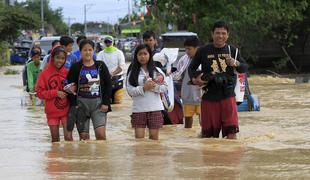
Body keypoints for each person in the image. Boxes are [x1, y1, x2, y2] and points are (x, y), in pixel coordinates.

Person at [188, 20, 248, 139]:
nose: (220, 36)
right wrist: (196, 79)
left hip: (228, 95)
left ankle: (230, 157)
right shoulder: (203, 51)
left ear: (228, 35)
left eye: (223, 33)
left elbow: (244, 68)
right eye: (218, 33)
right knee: (208, 136)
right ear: (212, 34)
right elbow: (191, 68)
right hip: (209, 96)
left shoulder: (233, 51)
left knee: (232, 133)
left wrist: (235, 63)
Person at [66, 39, 112, 140]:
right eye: (85, 50)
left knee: (101, 136)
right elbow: (69, 87)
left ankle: (100, 156)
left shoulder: (100, 66)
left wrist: (106, 103)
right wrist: (74, 105)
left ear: (93, 51)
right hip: (81, 105)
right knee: (84, 138)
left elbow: (109, 85)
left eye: (90, 50)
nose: (88, 52)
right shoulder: (75, 67)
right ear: (80, 52)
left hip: (98, 105)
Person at [126, 44, 167, 140]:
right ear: (136, 56)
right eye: (140, 54)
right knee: (139, 142)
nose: (143, 56)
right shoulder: (132, 73)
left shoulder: (158, 71)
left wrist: (153, 86)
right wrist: (143, 88)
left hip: (155, 109)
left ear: (150, 55)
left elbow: (165, 87)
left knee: (154, 141)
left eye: (145, 54)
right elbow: (130, 91)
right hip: (138, 110)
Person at [35, 46, 72, 142]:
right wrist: (55, 93)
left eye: (63, 58)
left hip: (67, 111)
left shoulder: (68, 73)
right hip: (51, 112)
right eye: (57, 58)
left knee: (68, 139)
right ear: (52, 58)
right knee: (55, 141)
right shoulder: (44, 74)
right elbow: (39, 93)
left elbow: (74, 90)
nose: (60, 61)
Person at [172, 37, 201, 128]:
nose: (187, 51)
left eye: (189, 49)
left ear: (197, 48)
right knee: (187, 122)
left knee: (203, 121)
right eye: (186, 49)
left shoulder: (204, 59)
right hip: (187, 95)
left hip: (201, 96)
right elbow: (178, 76)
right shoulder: (183, 60)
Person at [97, 35, 126, 104]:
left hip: (117, 80)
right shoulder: (101, 54)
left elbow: (122, 66)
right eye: (106, 42)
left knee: (117, 101)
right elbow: (98, 65)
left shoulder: (119, 53)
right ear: (104, 43)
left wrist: (113, 74)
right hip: (105, 81)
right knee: (106, 102)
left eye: (109, 42)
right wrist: (106, 75)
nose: (108, 43)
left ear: (113, 42)